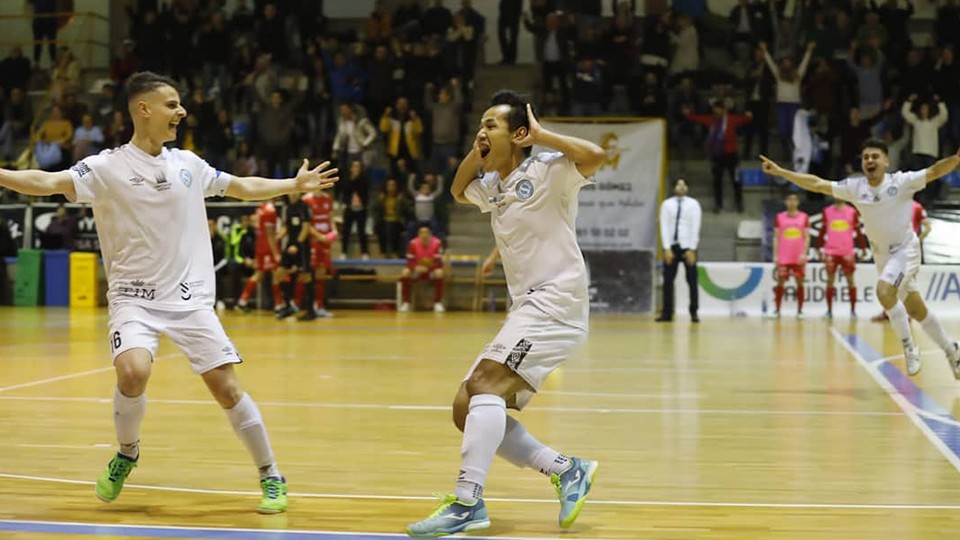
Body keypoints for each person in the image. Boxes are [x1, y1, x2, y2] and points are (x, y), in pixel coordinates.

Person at [0, 71, 339, 513]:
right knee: (132, 372)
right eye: (172, 103)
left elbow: (239, 187)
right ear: (144, 109)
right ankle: (127, 452)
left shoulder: (189, 165)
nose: (181, 111)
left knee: (226, 389)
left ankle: (271, 474)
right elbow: (45, 181)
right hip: (133, 297)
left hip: (190, 298)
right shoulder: (105, 168)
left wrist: (292, 186)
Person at [406, 91, 605, 537]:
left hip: (555, 302)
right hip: (529, 307)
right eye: (480, 123)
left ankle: (466, 503)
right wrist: (477, 153)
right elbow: (458, 190)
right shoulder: (492, 187)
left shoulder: (550, 169)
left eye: (491, 125)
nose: (481, 130)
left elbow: (595, 156)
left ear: (518, 133)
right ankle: (566, 469)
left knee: (482, 386)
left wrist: (542, 136)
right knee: (466, 407)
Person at [760, 140, 960, 378]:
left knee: (885, 292)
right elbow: (817, 184)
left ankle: (908, 345)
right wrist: (782, 172)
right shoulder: (855, 187)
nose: (870, 161)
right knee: (916, 309)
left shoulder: (902, 182)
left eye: (875, 156)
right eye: (866, 157)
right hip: (881, 254)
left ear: (886, 161)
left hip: (905, 249)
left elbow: (935, 170)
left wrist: (956, 160)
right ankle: (952, 350)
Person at [656, 178, 701, 323]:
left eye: (683, 184)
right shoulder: (667, 204)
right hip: (672, 247)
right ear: (674, 187)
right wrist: (666, 248)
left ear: (687, 188)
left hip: (688, 246)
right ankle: (667, 312)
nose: (681, 187)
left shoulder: (693, 204)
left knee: (692, 280)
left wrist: (693, 248)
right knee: (668, 281)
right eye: (678, 184)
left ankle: (694, 312)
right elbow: (664, 226)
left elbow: (696, 226)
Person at [819, 198, 866, 318]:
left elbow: (858, 231)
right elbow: (822, 230)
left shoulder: (852, 212)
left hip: (847, 252)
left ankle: (853, 311)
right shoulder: (827, 211)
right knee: (830, 281)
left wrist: (863, 248)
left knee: (850, 281)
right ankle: (829, 311)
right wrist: (818, 247)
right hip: (831, 251)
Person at [237, 199, 285, 314]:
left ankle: (242, 301)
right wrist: (275, 252)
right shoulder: (270, 210)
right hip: (268, 247)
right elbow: (270, 233)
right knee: (276, 273)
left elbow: (257, 225)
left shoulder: (260, 208)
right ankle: (279, 305)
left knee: (259, 273)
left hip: (260, 246)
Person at [769, 192, 809, 319]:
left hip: (798, 257)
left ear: (798, 202)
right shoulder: (779, 217)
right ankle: (777, 310)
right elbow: (775, 237)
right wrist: (775, 255)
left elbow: (807, 237)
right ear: (785, 202)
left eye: (794, 200)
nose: (792, 202)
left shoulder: (804, 217)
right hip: (783, 256)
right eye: (789, 199)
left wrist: (804, 253)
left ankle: (800, 311)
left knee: (800, 283)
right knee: (780, 283)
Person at [276, 192, 311, 319]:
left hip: (301, 245)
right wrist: (279, 236)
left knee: (305, 275)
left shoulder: (304, 207)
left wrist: (297, 244)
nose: (292, 195)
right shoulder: (287, 208)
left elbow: (306, 227)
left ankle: (309, 309)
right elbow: (286, 226)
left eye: (295, 193)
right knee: (280, 272)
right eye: (291, 193)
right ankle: (287, 305)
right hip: (290, 243)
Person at [301, 190, 336, 319]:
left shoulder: (327, 198)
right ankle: (299, 304)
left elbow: (331, 218)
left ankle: (319, 306)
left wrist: (334, 232)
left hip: (325, 241)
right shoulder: (306, 199)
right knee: (308, 273)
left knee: (322, 273)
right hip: (312, 241)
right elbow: (306, 224)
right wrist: (319, 236)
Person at [399, 225, 445, 313]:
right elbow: (409, 261)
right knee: (405, 272)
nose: (424, 235)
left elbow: (438, 262)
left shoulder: (437, 243)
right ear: (418, 235)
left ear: (430, 234)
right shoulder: (413, 243)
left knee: (440, 273)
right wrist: (415, 267)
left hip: (431, 270)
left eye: (426, 233)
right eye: (422, 233)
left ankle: (437, 303)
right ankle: (406, 303)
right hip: (417, 270)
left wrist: (428, 268)